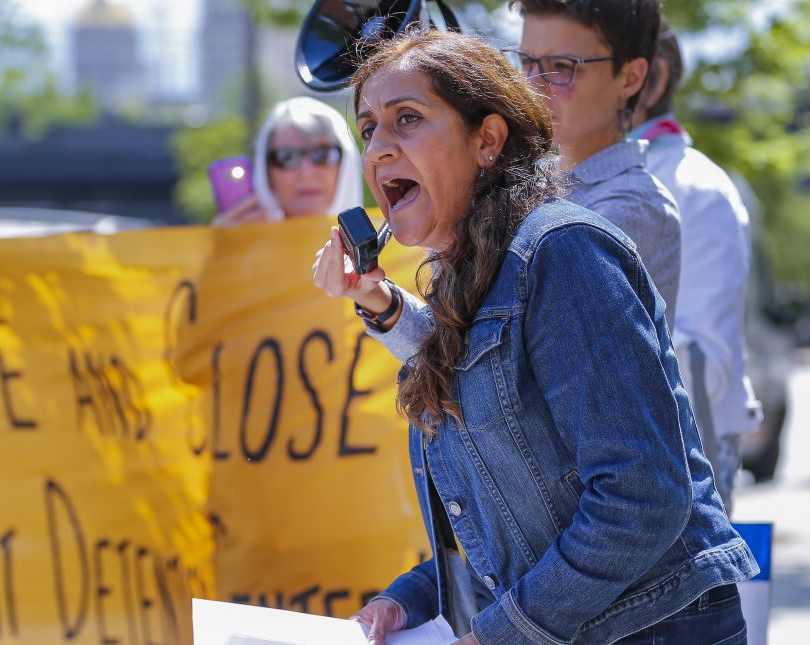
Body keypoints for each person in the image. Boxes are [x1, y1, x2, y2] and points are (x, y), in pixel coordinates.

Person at [311, 28, 757, 645]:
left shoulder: (562, 251)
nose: (379, 149)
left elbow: (641, 497)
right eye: (368, 129)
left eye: (406, 119)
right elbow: (507, 523)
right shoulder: (465, 281)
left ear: (487, 140)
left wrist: (501, 634)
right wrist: (405, 600)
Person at [631, 29, 761, 509]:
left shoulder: (696, 186)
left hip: (682, 460)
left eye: (569, 67)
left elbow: (706, 364)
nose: (540, 85)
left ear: (648, 78)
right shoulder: (581, 175)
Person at [509, 0, 682, 324]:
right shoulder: (531, 180)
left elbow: (500, 358)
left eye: (561, 67)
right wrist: (384, 303)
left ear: (630, 78)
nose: (533, 85)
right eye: (526, 61)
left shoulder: (632, 209)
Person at [213, 96, 362, 225]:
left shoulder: (381, 247)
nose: (306, 173)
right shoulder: (236, 250)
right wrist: (220, 253)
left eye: (322, 155)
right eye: (286, 157)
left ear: (345, 165)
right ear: (266, 172)